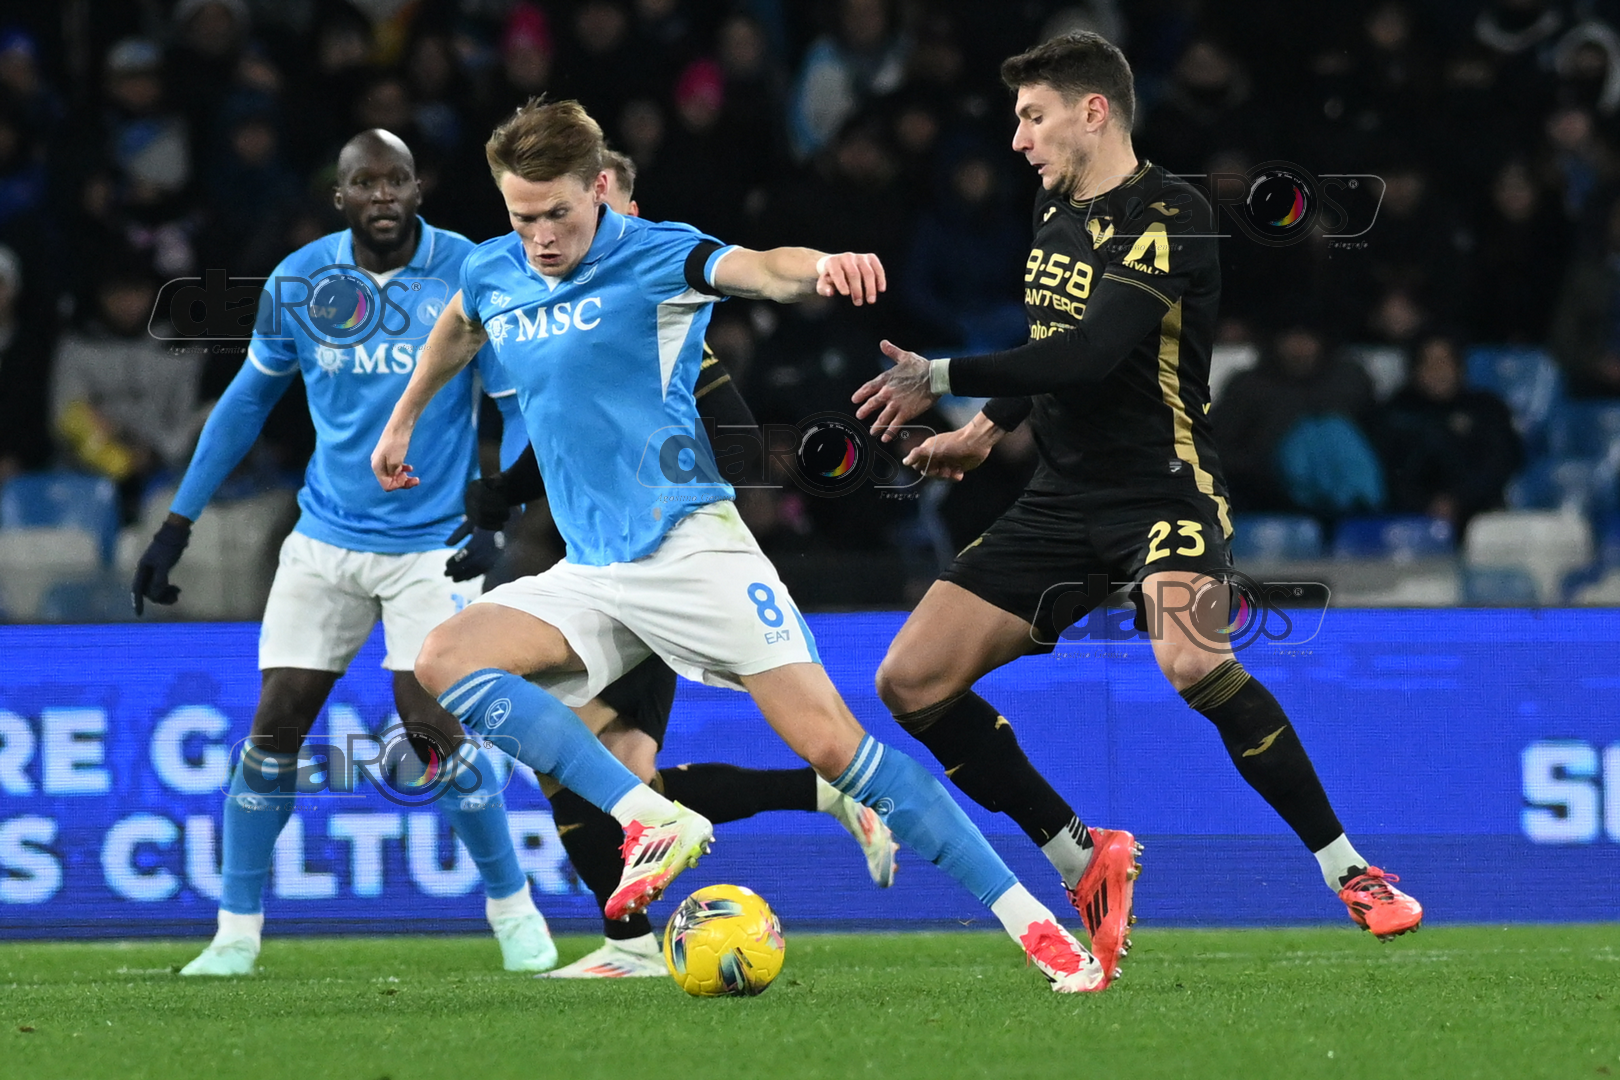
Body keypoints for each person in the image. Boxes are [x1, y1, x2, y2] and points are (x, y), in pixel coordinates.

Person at [373, 98, 1108, 993]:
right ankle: (652, 816)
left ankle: (1035, 928)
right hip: (593, 571)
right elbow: (458, 326)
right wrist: (403, 420)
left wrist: (823, 266)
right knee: (444, 658)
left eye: (557, 212)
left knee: (837, 750)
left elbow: (760, 268)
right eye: (522, 216)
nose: (541, 236)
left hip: (692, 553)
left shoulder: (654, 254)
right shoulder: (496, 268)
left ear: (599, 187)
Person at [852, 33, 1424, 969]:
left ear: (1093, 111)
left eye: (1032, 117)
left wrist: (940, 377)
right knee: (909, 681)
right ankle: (1082, 858)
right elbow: (1052, 341)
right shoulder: (1052, 205)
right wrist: (988, 427)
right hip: (1061, 498)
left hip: (1164, 488)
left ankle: (1350, 869)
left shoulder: (1173, 213)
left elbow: (1090, 354)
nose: (1017, 139)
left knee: (1192, 660)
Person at [461, 149, 898, 980]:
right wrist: (502, 496)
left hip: (664, 567)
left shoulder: (669, 331)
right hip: (597, 569)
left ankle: (631, 942)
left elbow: (737, 446)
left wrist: (676, 492)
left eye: (605, 214)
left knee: (613, 765)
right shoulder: (565, 316)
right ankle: (809, 803)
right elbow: (561, 439)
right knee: (606, 768)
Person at [131, 130, 557, 977]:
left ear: (419, 189)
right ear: (341, 197)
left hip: (432, 549)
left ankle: (513, 912)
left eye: (397, 180)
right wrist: (176, 524)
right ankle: (235, 934)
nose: (383, 195)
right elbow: (244, 404)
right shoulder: (300, 281)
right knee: (276, 725)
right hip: (324, 542)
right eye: (365, 182)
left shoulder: (472, 270)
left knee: (432, 733)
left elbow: (514, 404)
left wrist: (497, 516)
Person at [1376, 334, 1523, 530]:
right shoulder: (1395, 414)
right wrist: (1426, 504)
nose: (1437, 371)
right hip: (1409, 521)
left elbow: (1500, 462)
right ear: (1415, 370)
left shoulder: (1486, 409)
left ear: (1459, 367)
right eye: (1428, 363)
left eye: (1444, 362)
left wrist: (1458, 499)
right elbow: (1389, 473)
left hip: (1480, 516)